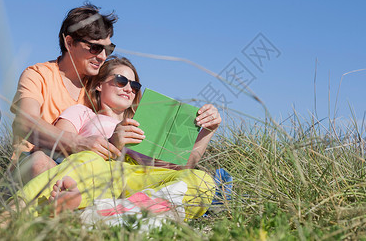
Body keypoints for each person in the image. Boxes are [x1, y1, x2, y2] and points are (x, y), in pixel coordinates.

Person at [16, 56, 221, 220]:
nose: (129, 88)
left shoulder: (145, 124)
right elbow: (55, 149)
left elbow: (183, 167)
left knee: (202, 180)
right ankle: (18, 211)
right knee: (89, 159)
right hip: (97, 174)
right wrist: (112, 145)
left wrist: (208, 131)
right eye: (121, 80)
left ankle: (112, 213)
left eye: (135, 85)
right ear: (99, 85)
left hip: (135, 180)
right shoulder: (82, 113)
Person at [11, 2, 122, 184]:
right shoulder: (38, 75)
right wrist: (77, 143)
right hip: (31, 168)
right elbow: (25, 122)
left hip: (81, 173)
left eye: (108, 49)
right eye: (95, 48)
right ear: (69, 43)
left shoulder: (99, 87)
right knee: (41, 163)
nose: (102, 56)